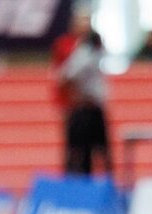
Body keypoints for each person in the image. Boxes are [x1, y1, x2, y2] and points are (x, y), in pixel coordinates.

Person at [57, 11, 112, 178]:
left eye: (87, 21)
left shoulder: (94, 45)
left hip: (95, 106)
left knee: (103, 151)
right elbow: (64, 76)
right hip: (79, 107)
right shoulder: (67, 46)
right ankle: (76, 188)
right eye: (81, 21)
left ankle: (106, 188)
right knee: (78, 152)